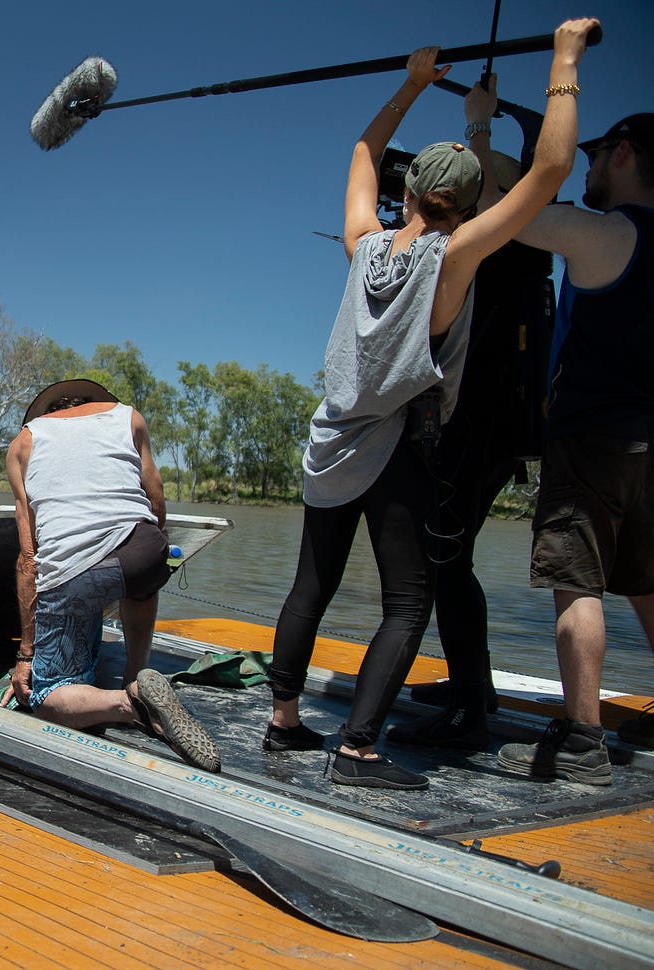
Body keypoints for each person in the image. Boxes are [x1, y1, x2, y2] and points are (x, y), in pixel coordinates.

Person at [265, 21, 597, 791]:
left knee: (310, 586)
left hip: (330, 442)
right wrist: (564, 62)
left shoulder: (363, 244)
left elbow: (360, 155)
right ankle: (357, 751)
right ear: (469, 206)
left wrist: (414, 84)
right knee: (408, 602)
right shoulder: (455, 260)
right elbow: (548, 173)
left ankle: (283, 724)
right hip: (396, 451)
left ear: (407, 194)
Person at [483, 109, 654, 785]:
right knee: (646, 580)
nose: (586, 169)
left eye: (596, 155)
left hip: (592, 436)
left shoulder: (607, 233)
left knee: (575, 583)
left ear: (623, 155)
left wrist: (479, 135)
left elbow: (505, 214)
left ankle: (583, 741)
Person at [388, 153, 552, 750]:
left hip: (479, 429)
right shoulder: (521, 254)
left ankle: (468, 710)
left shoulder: (508, 239)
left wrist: (478, 126)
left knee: (447, 564)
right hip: (493, 428)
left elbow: (532, 178)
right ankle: (471, 687)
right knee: (451, 561)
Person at [1, 379, 220, 773]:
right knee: (139, 579)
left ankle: (130, 703)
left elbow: (29, 556)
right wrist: (155, 552)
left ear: (46, 414)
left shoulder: (23, 444)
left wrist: (25, 654)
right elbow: (156, 498)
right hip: (145, 550)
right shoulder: (129, 418)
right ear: (93, 403)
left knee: (47, 695)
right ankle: (137, 673)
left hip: (76, 574)